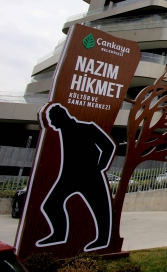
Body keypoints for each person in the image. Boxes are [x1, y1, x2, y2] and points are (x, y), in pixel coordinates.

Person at [37, 104, 116, 251]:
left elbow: (108, 146)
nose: (52, 124)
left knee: (101, 209)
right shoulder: (63, 131)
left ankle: (103, 240)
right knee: (50, 205)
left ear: (62, 117)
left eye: (53, 120)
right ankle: (59, 234)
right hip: (68, 176)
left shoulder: (87, 127)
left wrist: (101, 166)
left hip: (90, 175)